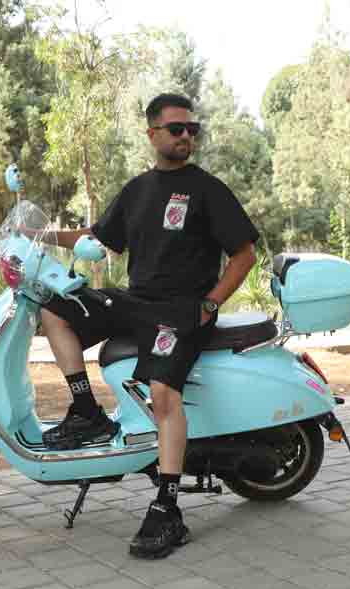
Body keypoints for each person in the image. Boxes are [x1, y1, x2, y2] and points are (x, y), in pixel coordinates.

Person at [37, 93, 259, 559]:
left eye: (192, 129)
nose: (186, 136)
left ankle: (168, 506)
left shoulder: (207, 189)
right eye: (177, 129)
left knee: (162, 395)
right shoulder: (138, 190)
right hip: (137, 300)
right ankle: (86, 411)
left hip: (182, 310)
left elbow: (244, 255)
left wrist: (211, 303)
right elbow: (97, 237)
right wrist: (38, 235)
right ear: (152, 133)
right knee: (54, 309)